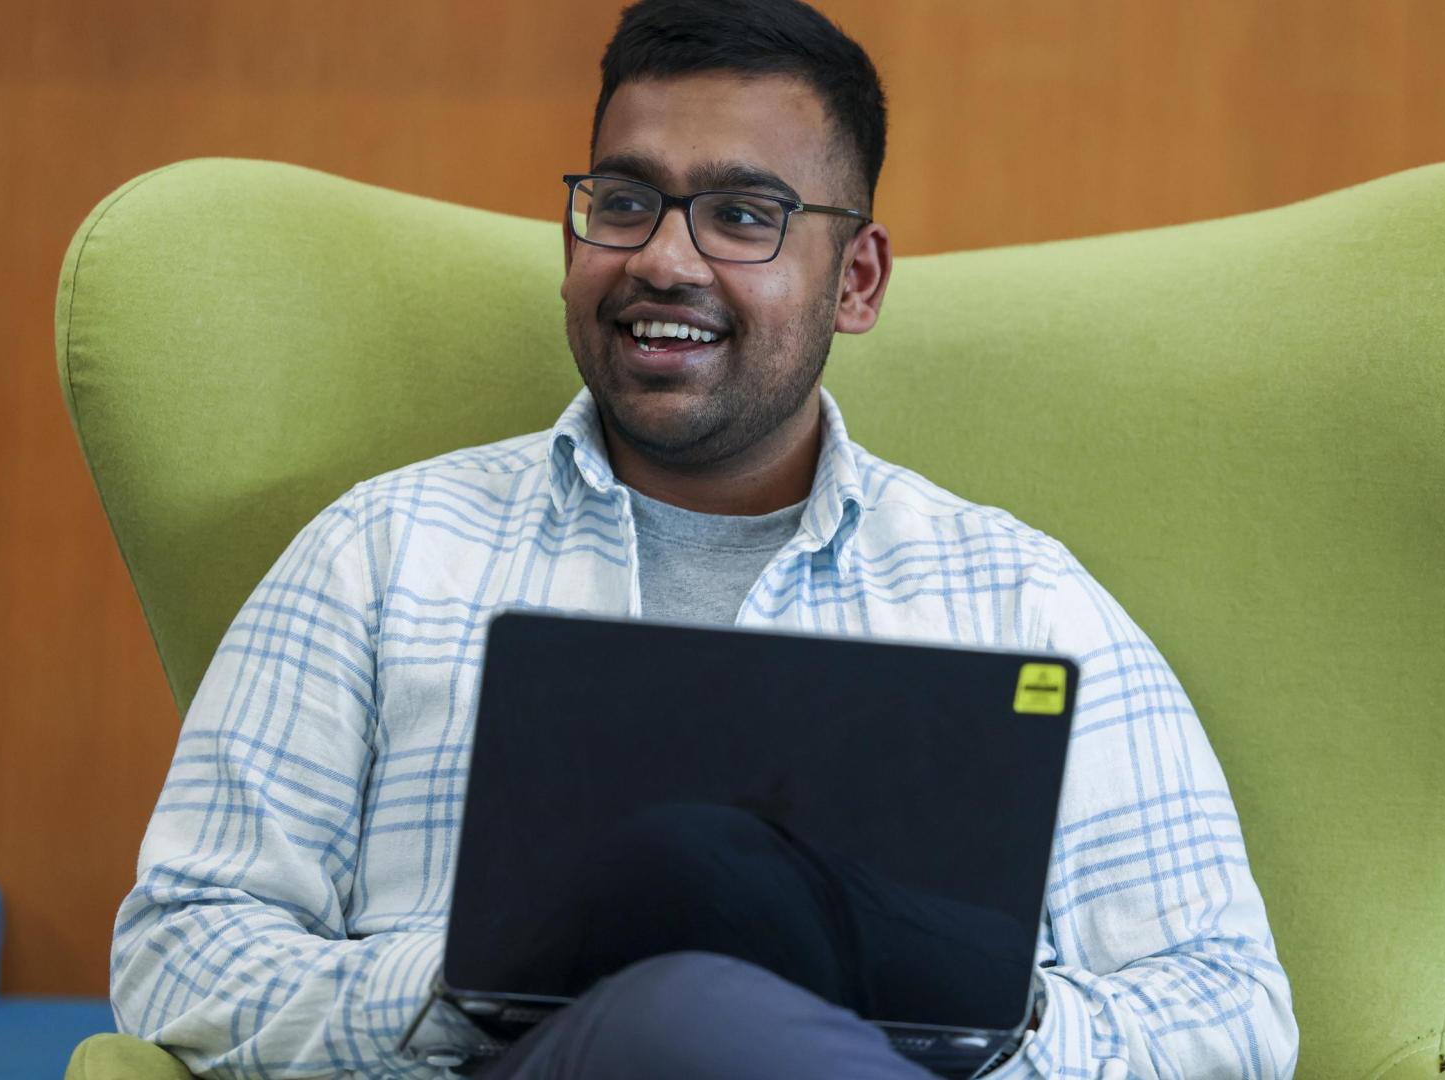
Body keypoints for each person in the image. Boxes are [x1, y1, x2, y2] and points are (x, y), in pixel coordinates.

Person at [109, 0, 1299, 1076]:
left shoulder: (1022, 602)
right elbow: (181, 950)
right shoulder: (379, 554)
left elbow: (1232, 1014)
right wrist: (473, 985)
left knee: (705, 914)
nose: (665, 260)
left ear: (857, 282)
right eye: (623, 202)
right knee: (677, 976)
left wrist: (965, 1001)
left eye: (745, 215)